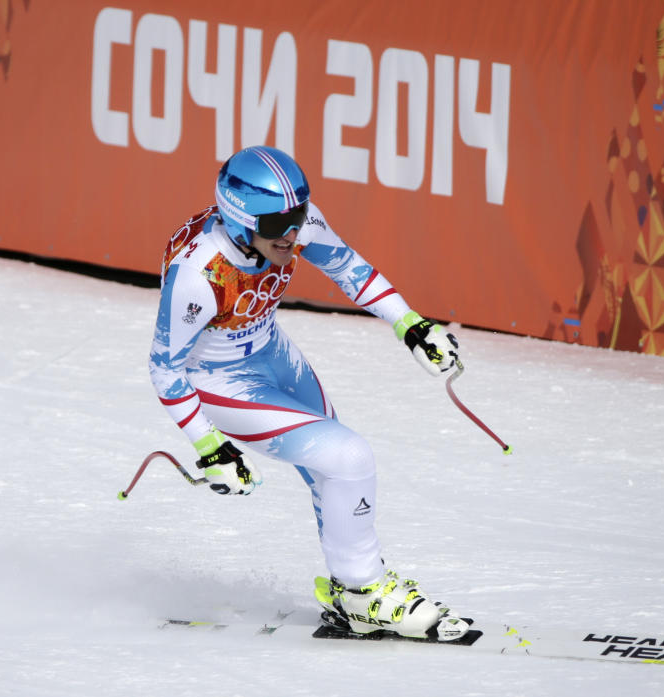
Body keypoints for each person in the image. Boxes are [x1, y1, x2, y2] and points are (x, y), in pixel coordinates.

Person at [148, 145, 467, 641]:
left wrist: (410, 323)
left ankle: (353, 592)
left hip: (271, 351)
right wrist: (208, 443)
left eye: (299, 215)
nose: (293, 233)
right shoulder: (199, 273)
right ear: (239, 222)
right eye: (278, 226)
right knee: (349, 455)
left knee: (332, 470)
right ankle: (365, 590)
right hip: (217, 380)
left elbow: (348, 267)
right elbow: (164, 366)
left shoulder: (285, 226)